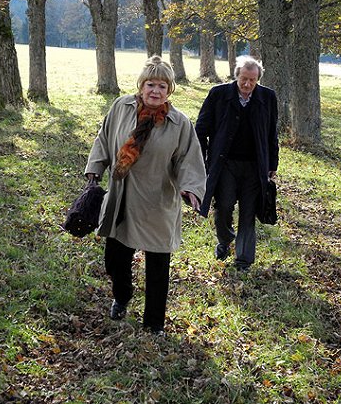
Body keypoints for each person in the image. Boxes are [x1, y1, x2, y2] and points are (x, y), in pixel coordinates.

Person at [85, 55, 206, 334]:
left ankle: (153, 323)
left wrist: (190, 188)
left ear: (169, 90)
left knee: (158, 265)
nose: (155, 91)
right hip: (122, 198)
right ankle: (122, 296)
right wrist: (95, 167)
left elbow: (189, 160)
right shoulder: (120, 107)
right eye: (150, 84)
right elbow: (104, 138)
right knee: (115, 259)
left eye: (162, 86)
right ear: (141, 86)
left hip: (157, 202)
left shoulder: (179, 124)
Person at [195, 55, 279, 272]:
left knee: (249, 212)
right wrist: (201, 161)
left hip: (255, 166)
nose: (248, 84)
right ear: (236, 76)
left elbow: (272, 134)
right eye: (244, 79)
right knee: (223, 206)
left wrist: (272, 164)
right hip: (225, 165)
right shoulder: (219, 94)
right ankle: (224, 240)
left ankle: (243, 260)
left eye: (253, 80)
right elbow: (201, 130)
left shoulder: (268, 97)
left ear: (258, 79)